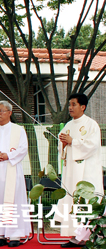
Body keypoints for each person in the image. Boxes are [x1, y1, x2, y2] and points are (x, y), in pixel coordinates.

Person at [0, 101, 30, 247]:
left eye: (1, 111)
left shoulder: (18, 129)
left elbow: (23, 148)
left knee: (13, 201)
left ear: (9, 112)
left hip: (11, 169)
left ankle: (15, 235)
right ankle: (0, 234)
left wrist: (8, 156)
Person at [56, 93, 103, 248]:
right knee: (72, 201)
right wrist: (63, 144)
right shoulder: (68, 126)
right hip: (71, 172)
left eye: (73, 104)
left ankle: (90, 236)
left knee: (86, 202)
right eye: (69, 104)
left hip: (86, 171)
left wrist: (73, 142)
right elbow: (61, 149)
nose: (70, 107)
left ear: (83, 107)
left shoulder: (91, 125)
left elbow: (93, 145)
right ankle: (76, 236)